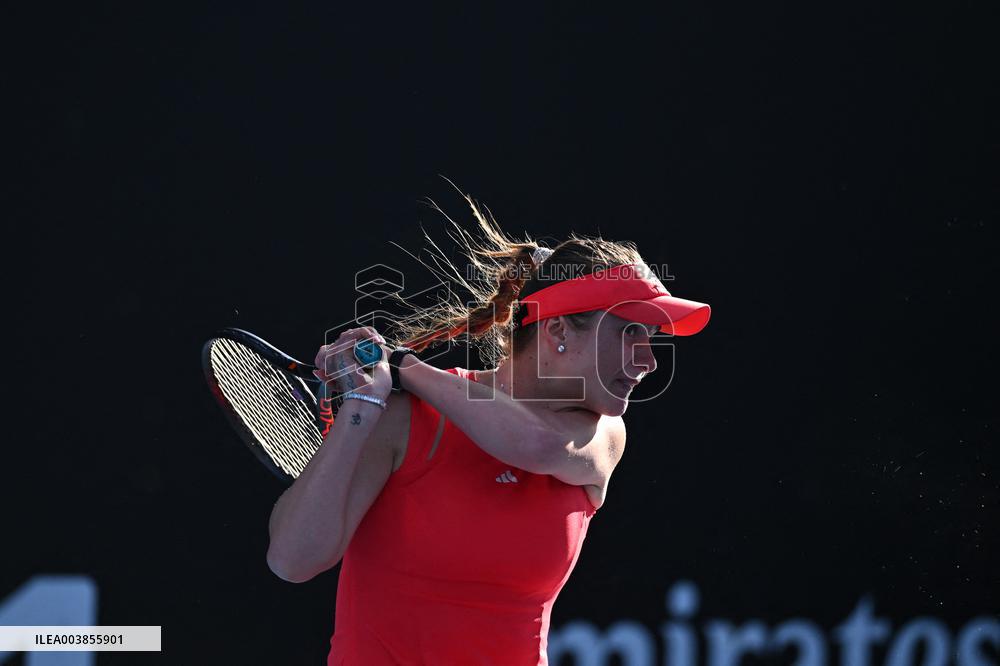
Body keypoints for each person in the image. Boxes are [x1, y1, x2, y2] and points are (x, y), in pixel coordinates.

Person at [265, 195, 712, 665]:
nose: (648, 360)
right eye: (629, 332)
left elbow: (533, 444)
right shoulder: (406, 418)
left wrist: (403, 365)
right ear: (558, 330)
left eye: (651, 338)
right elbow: (292, 561)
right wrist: (360, 406)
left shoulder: (604, 434)